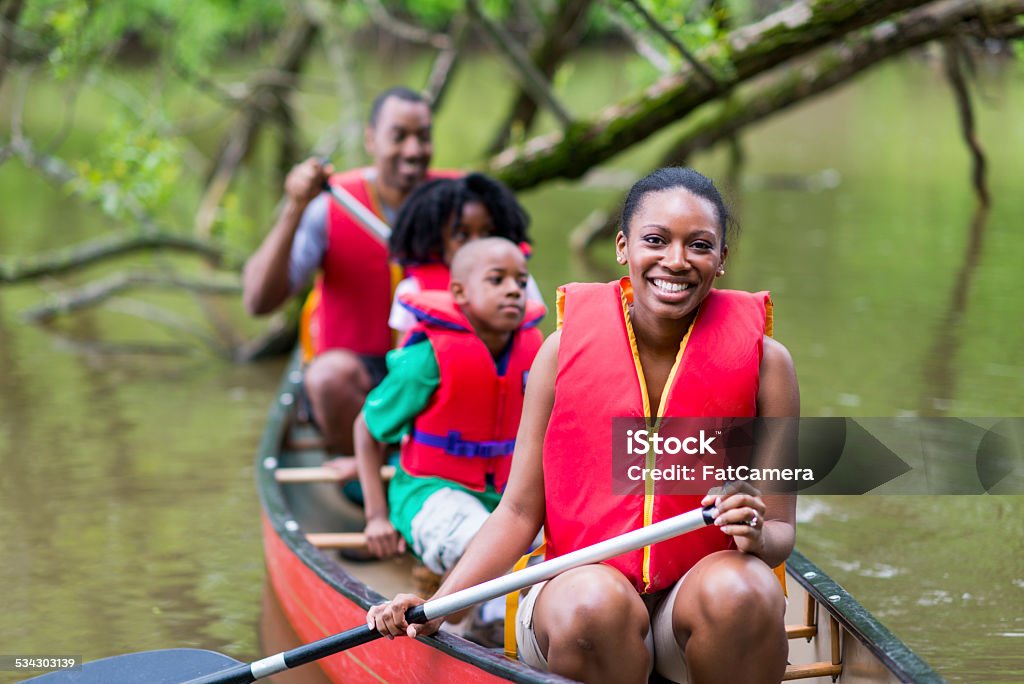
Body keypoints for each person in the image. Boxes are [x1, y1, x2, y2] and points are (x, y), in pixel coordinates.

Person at [366, 167, 800, 684]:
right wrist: (440, 606)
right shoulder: (560, 353)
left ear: (722, 259)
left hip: (693, 603)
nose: (676, 261)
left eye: (700, 245)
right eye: (656, 241)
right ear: (623, 247)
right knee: (595, 605)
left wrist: (752, 530)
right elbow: (520, 511)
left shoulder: (768, 365)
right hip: (578, 602)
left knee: (747, 590)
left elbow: (779, 531)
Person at [242, 87, 458, 455]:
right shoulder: (329, 203)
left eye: (423, 137)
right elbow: (259, 301)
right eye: (399, 136)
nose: (413, 150)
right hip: (361, 373)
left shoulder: (460, 201)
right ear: (371, 139)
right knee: (328, 376)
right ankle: (359, 471)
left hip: (437, 364)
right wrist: (295, 207)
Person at [353, 237, 545, 572]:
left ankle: (488, 614)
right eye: (497, 280)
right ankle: (470, 614)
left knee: (560, 549)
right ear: (459, 294)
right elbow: (366, 428)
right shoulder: (427, 358)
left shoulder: (538, 352)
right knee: (489, 549)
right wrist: (376, 517)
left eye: (521, 281)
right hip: (429, 491)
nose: (515, 290)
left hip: (510, 495)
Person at [386, 172, 543, 335]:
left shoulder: (518, 282)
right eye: (462, 235)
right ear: (438, 242)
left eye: (487, 233)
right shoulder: (412, 290)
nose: (477, 244)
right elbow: (402, 355)